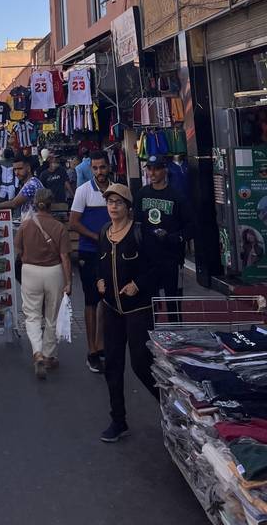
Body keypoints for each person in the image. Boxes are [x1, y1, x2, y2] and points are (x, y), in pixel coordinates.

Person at [96, 184, 159, 443]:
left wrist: (138, 285)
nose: (113, 207)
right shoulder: (104, 233)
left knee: (141, 363)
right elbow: (100, 265)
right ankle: (118, 419)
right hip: (112, 309)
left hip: (138, 310)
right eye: (110, 202)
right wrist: (99, 281)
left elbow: (158, 268)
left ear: (128, 207)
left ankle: (171, 407)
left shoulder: (140, 233)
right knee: (112, 365)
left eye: (118, 203)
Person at [14, 188, 72, 378]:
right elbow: (65, 257)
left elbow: (18, 249)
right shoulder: (59, 227)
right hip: (53, 272)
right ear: (51, 204)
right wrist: (68, 281)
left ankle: (37, 351)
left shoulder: (25, 225)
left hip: (30, 271)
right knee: (52, 316)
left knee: (32, 315)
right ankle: (49, 355)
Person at [69, 150, 111, 373]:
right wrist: (98, 237)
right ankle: (92, 350)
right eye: (95, 168)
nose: (99, 172)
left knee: (106, 300)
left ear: (108, 166)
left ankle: (102, 344)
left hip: (111, 253)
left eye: (102, 167)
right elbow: (73, 222)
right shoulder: (83, 191)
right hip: (89, 252)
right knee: (91, 302)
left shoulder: (116, 190)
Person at [133, 155, 194, 297]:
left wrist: (174, 238)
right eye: (149, 169)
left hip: (171, 257)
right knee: (150, 301)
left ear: (165, 170)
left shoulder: (176, 195)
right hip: (148, 257)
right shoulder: (142, 194)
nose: (152, 173)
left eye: (156, 169)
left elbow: (191, 226)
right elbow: (137, 222)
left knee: (173, 300)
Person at [10, 155, 44, 220]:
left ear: (28, 168)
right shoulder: (32, 182)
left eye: (20, 169)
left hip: (34, 225)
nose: (16, 173)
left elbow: (14, 203)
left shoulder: (31, 185)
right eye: (15, 169)